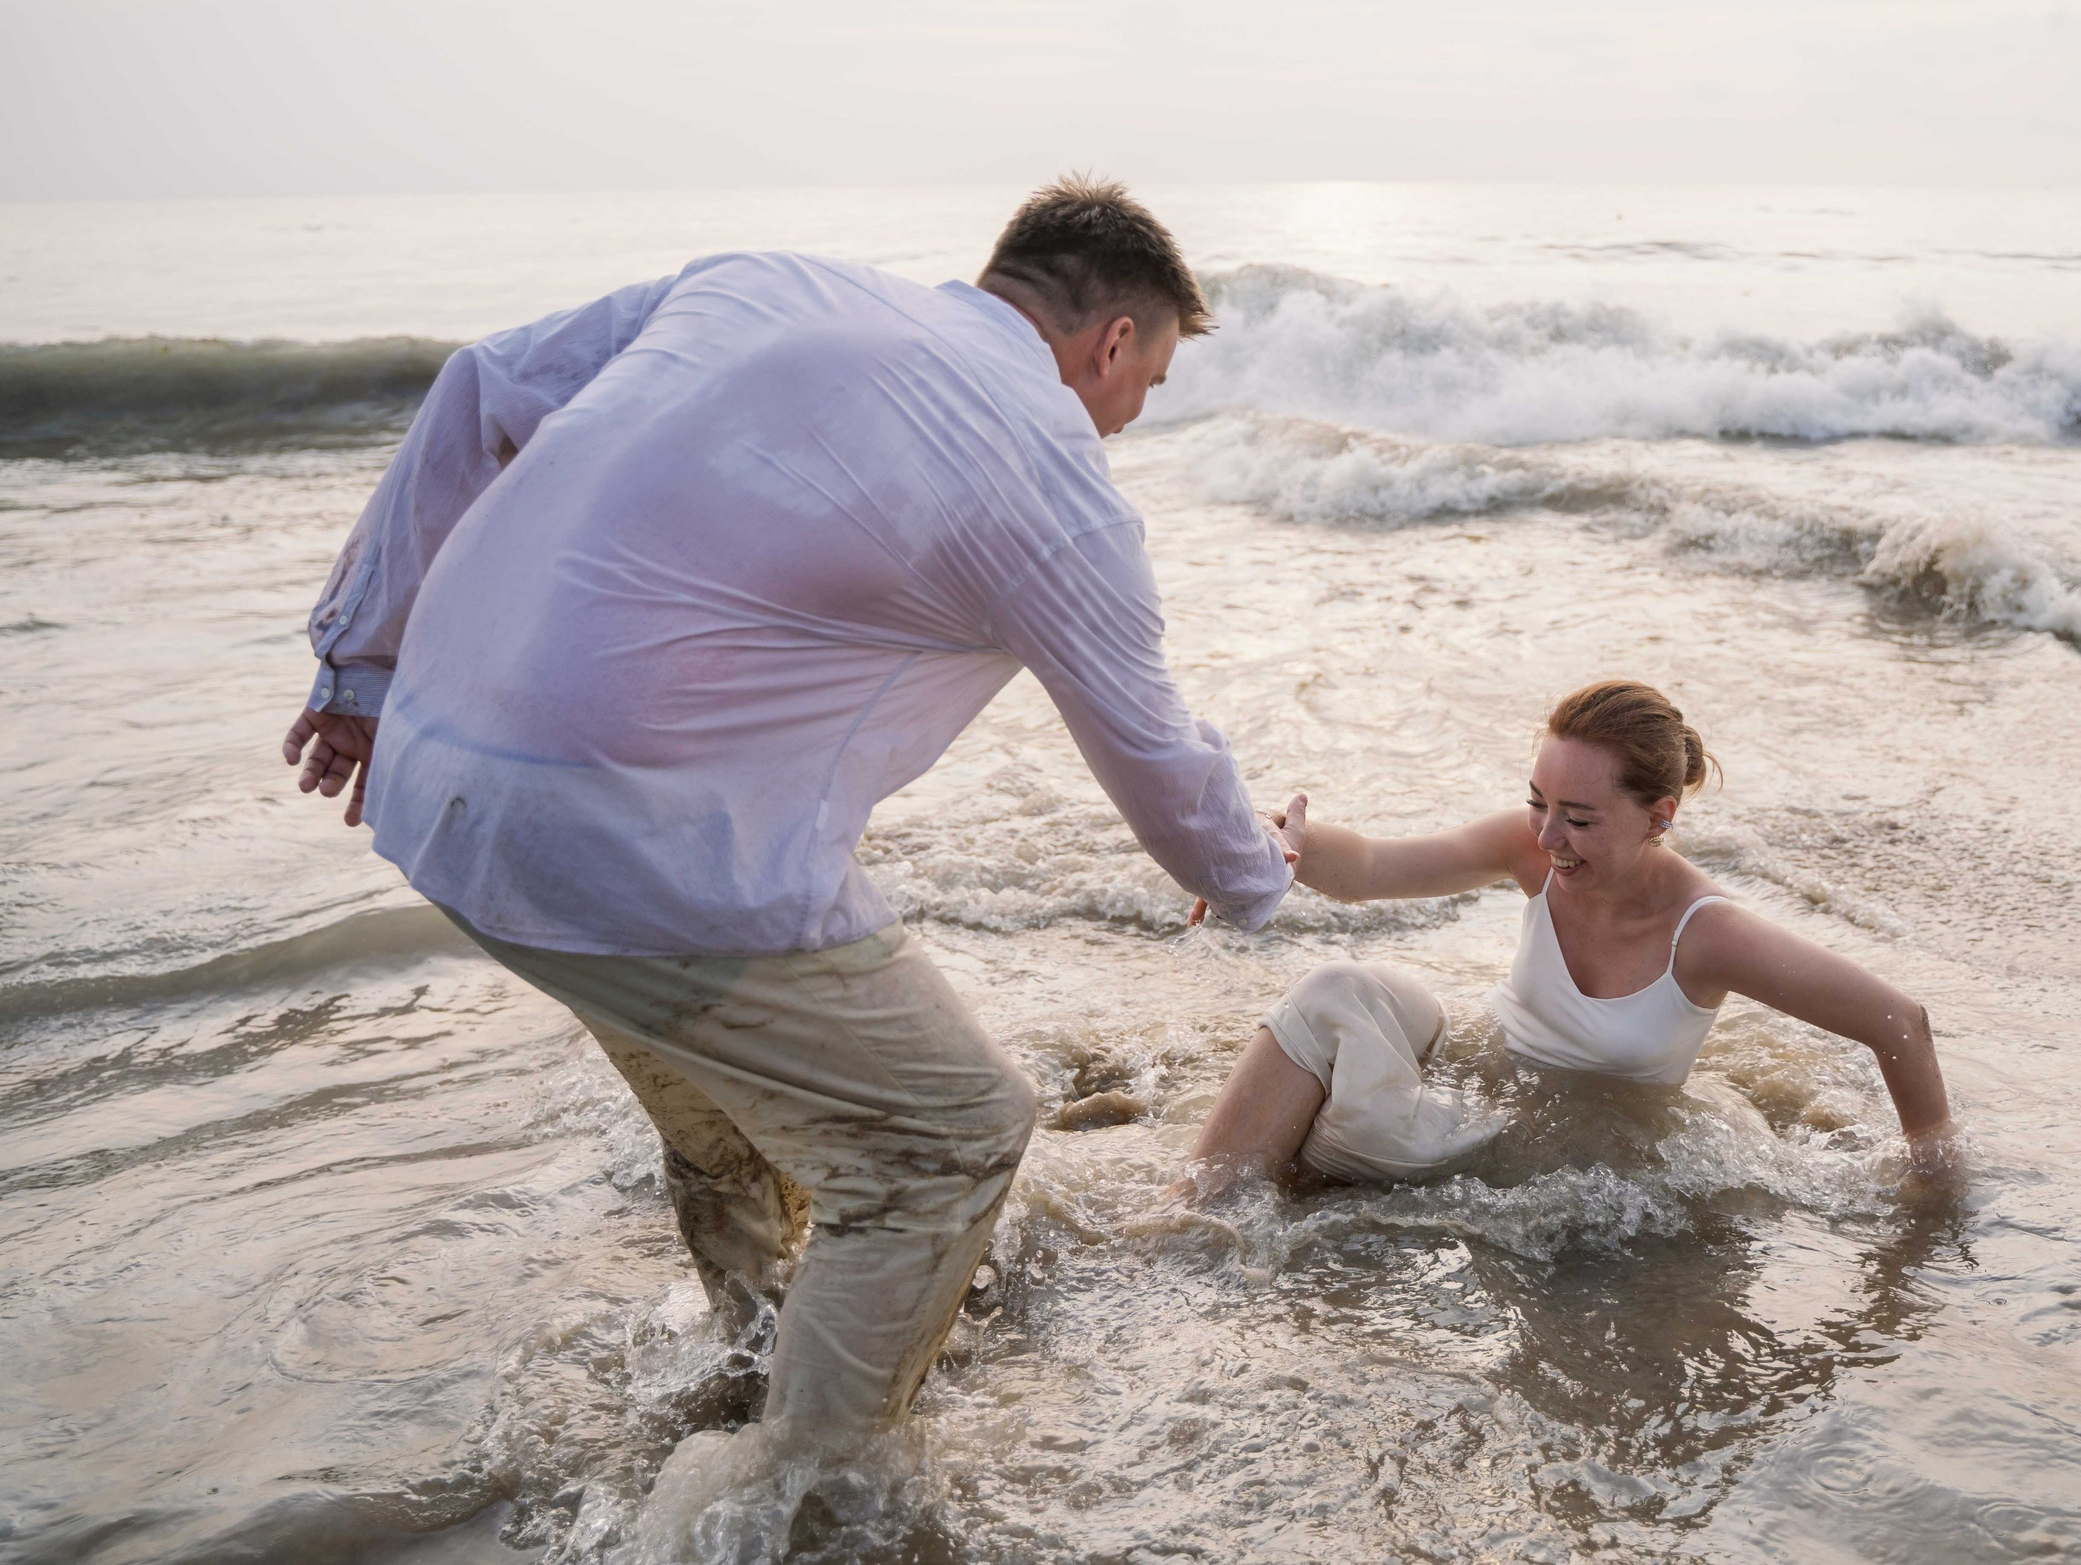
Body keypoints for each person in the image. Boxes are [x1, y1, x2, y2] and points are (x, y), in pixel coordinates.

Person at [278, 179, 1296, 1483]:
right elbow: (1166, 771)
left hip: (442, 787)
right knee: (958, 1129)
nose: (1129, 415)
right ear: (1111, 341)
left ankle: (757, 1344)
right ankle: (787, 1492)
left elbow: (481, 385)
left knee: (737, 1124)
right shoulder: (1048, 466)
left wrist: (361, 668)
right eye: (1145, 382)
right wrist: (1259, 863)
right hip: (635, 843)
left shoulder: (760, 280)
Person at [1185, 681, 1958, 1192]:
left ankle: (1259, 1189)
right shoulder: (1535, 849)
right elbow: (1370, 868)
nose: (1550, 836)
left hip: (1552, 1142)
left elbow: (1901, 1022)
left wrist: (1932, 1173)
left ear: (1660, 816)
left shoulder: (1708, 934)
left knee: (1331, 1146)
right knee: (1335, 990)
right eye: (1537, 802)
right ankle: (1191, 1207)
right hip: (1471, 1065)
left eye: (1580, 818)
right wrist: (1262, 847)